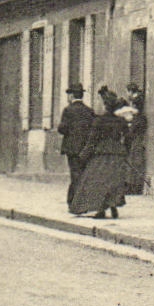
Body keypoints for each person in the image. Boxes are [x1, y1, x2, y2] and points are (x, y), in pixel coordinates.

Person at [70, 87, 131, 219]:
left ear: (105, 105)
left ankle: (101, 210)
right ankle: (113, 206)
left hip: (102, 153)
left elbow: (92, 140)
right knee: (114, 181)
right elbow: (128, 137)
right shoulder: (121, 121)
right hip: (117, 154)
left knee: (98, 182)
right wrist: (125, 150)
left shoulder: (99, 121)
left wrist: (83, 155)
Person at [57, 83, 94, 212]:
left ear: (72, 95)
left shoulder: (68, 110)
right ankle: (83, 202)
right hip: (86, 149)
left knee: (75, 175)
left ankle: (73, 202)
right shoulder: (89, 110)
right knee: (83, 175)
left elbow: (62, 128)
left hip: (72, 149)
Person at [121, 82, 150, 196]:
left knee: (134, 162)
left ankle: (134, 187)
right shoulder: (138, 117)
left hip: (136, 140)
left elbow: (134, 127)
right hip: (135, 139)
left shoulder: (139, 117)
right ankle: (132, 186)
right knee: (133, 162)